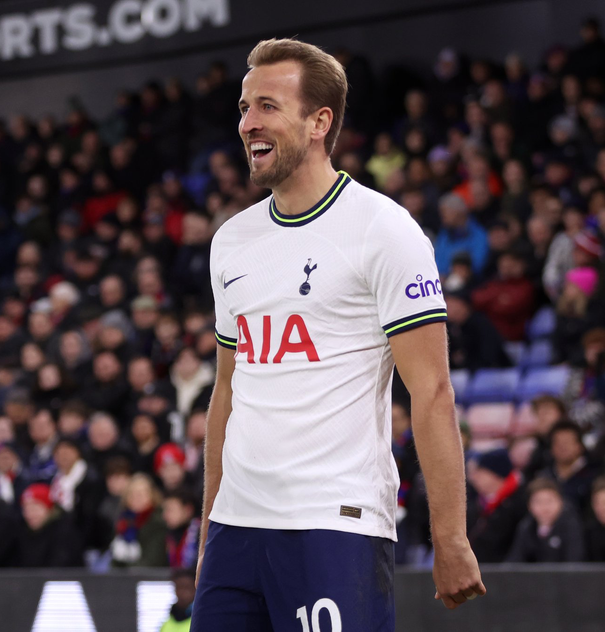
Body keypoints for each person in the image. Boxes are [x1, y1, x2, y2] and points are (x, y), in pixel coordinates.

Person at [194, 38, 484, 632]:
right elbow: (227, 392)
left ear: (320, 121)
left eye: (268, 106)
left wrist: (449, 536)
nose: (248, 123)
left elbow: (430, 392)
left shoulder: (384, 230)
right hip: (235, 530)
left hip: (333, 525)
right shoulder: (231, 241)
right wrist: (209, 531)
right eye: (245, 108)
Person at [506, 478, 585, 563]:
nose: (544, 508)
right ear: (529, 505)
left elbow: (575, 562)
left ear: (561, 502)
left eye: (549, 501)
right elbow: (514, 561)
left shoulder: (571, 526)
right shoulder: (526, 527)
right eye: (538, 502)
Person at [160, 568, 196, 632]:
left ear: (195, 589)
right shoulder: (166, 624)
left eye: (186, 587)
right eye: (178, 587)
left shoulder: (202, 621)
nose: (181, 592)